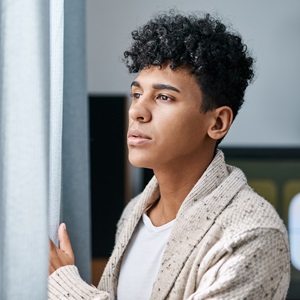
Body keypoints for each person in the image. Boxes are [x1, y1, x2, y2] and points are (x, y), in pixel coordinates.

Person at [48, 9, 291, 300]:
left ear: (217, 123)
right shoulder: (135, 213)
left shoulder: (252, 234)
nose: (137, 111)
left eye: (164, 97)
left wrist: (66, 287)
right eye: (137, 94)